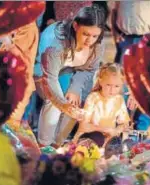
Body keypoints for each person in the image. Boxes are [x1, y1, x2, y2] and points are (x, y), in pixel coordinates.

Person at [35, 5, 106, 147]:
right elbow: (50, 79)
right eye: (85, 34)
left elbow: (89, 70)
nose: (89, 40)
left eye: (94, 36)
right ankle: (44, 144)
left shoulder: (97, 45)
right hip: (43, 69)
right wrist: (62, 104)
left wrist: (75, 88)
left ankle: (57, 144)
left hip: (68, 68)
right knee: (54, 103)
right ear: (75, 26)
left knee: (74, 103)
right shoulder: (55, 44)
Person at [111, 1, 150, 132]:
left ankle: (141, 128)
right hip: (125, 39)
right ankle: (120, 126)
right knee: (120, 84)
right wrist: (114, 32)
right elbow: (114, 9)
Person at [73, 63, 131, 146]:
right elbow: (84, 126)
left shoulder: (119, 99)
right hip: (88, 139)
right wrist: (107, 129)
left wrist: (117, 130)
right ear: (101, 81)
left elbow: (125, 124)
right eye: (108, 85)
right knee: (98, 137)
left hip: (107, 139)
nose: (112, 90)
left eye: (116, 86)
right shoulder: (93, 97)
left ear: (122, 85)